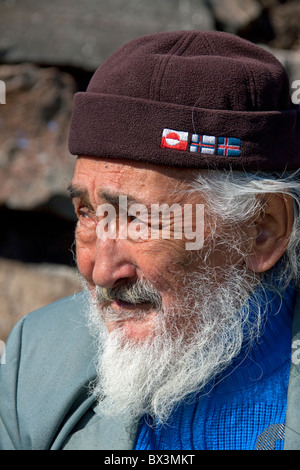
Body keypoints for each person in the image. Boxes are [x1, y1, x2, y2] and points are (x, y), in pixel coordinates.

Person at [1, 30, 300, 451]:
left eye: (139, 219)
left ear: (260, 231)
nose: (100, 272)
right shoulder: (35, 359)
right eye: (86, 212)